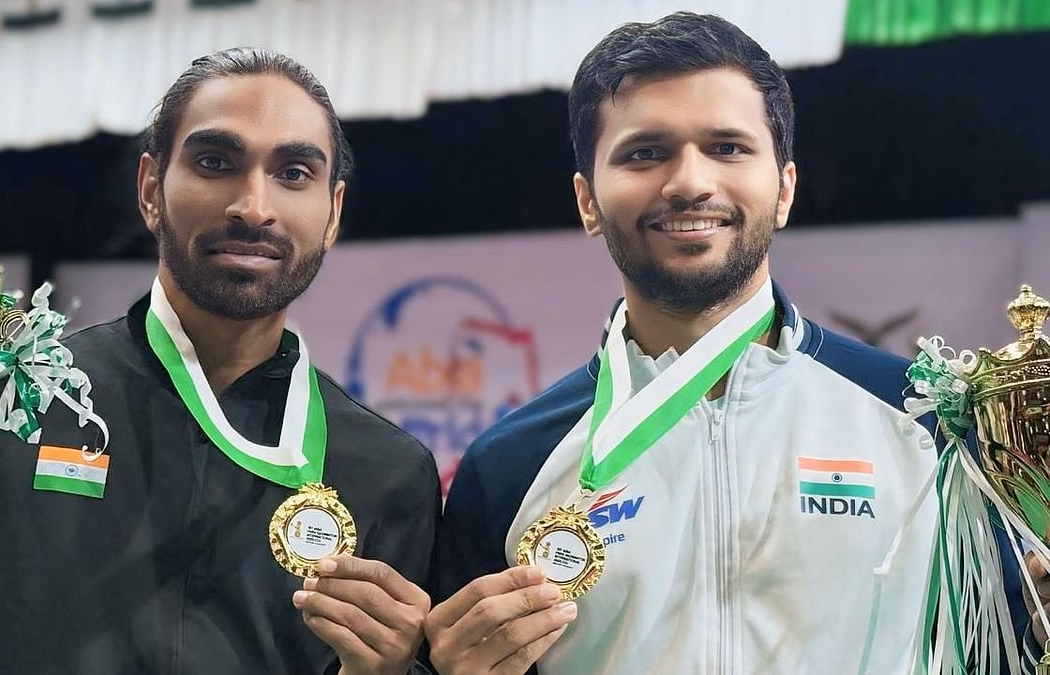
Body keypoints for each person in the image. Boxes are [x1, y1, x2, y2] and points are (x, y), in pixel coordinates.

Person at [425, 12, 1036, 675]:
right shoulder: (510, 466)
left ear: (784, 189)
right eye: (644, 152)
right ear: (588, 201)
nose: (689, 181)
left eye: (727, 147)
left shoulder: (925, 422)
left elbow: (1000, 651)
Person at [0, 47, 439, 675]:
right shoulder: (0, 406)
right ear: (151, 190)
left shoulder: (390, 473)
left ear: (333, 213)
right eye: (216, 162)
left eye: (294, 173)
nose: (254, 206)